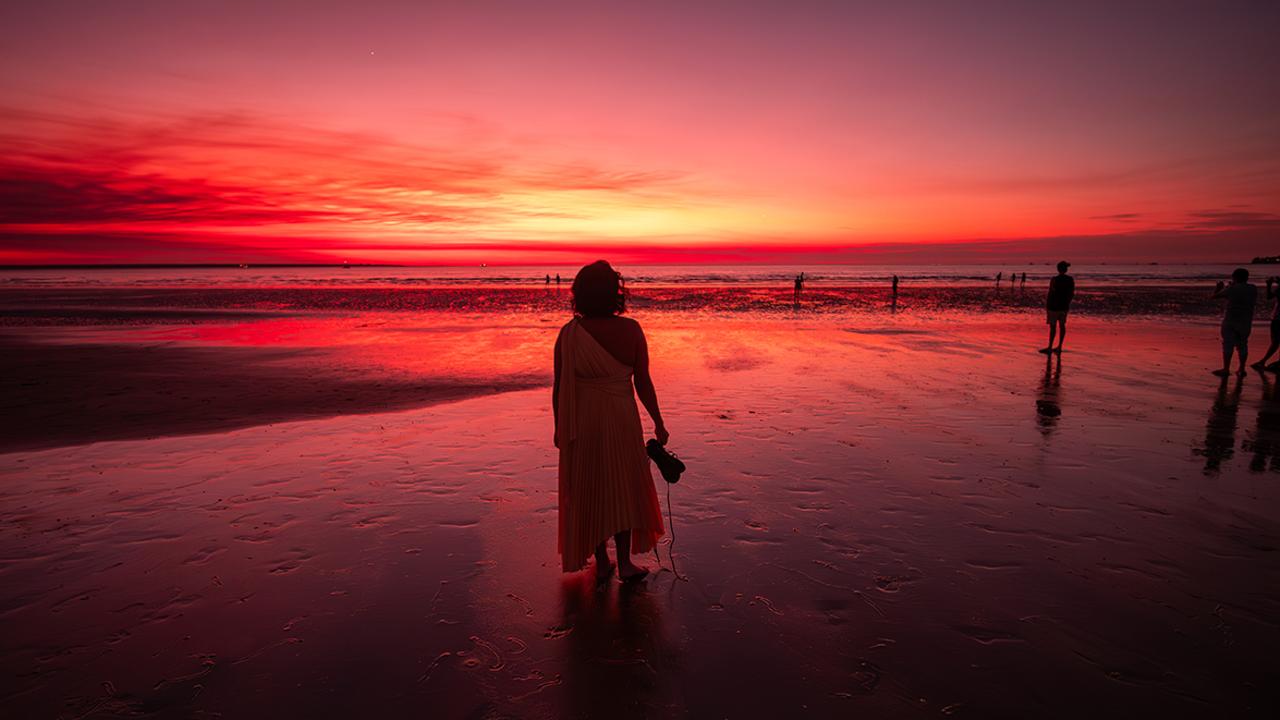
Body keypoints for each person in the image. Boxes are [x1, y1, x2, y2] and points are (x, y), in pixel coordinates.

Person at [553, 260, 666, 583]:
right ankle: (625, 562)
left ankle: (602, 560)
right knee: (623, 486)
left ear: (581, 295)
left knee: (590, 486)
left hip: (582, 420)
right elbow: (643, 382)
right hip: (620, 418)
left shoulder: (570, 333)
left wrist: (559, 426)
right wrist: (658, 421)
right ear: (614, 293)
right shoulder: (631, 330)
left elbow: (560, 386)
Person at [1212, 268, 1258, 377]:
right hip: (1245, 321)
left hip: (1231, 320)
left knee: (1228, 344)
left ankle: (1226, 369)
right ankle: (1241, 369)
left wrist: (1219, 288)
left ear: (1235, 277)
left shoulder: (1232, 289)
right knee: (1243, 345)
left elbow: (1214, 297)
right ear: (1247, 277)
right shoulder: (1253, 288)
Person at [1041, 261, 1074, 354]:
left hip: (1054, 306)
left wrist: (1047, 306)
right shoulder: (1070, 279)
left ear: (1058, 269)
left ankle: (1050, 347)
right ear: (1066, 269)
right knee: (1062, 326)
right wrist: (1067, 303)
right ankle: (1059, 346)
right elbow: (1071, 294)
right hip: (1064, 307)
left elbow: (1051, 293)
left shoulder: (1054, 279)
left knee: (1053, 327)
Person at [1250, 276, 1280, 372]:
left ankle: (1263, 361)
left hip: (1278, 317)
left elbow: (1269, 297)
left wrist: (1269, 285)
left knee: (1275, 341)